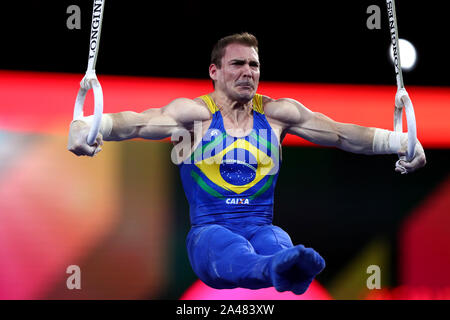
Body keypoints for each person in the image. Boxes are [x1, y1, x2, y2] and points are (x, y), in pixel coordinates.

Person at [68, 32, 426, 295]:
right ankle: (277, 269)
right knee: (231, 247)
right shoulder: (194, 115)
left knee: (277, 241)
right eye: (237, 64)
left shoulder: (276, 114)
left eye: (254, 64)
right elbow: (140, 122)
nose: (248, 72)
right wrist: (89, 126)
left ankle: (283, 264)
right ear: (215, 71)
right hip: (208, 237)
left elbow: (341, 134)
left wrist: (401, 142)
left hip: (259, 226)